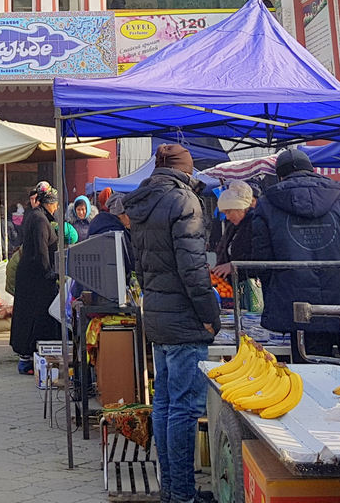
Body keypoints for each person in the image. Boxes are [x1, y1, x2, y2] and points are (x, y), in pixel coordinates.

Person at [125, 144, 221, 503]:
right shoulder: (184, 201)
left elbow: (141, 264)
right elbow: (194, 270)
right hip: (183, 318)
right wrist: (210, 317)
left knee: (166, 405)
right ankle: (182, 494)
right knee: (182, 409)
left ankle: (172, 490)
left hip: (159, 314)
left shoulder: (142, 203)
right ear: (186, 169)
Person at [248, 147, 340, 357]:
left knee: (311, 382)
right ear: (313, 170)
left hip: (299, 309)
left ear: (280, 176)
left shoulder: (267, 206)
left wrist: (276, 298)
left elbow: (263, 260)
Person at [10, 186, 61, 374]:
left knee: (28, 317)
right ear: (50, 204)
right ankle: (29, 359)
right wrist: (50, 273)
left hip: (30, 276)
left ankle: (28, 358)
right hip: (36, 278)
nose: (56, 209)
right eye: (55, 205)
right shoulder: (40, 220)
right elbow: (41, 251)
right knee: (36, 318)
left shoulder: (35, 215)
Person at [211, 181, 255, 282]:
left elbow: (259, 258)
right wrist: (216, 270)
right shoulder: (232, 227)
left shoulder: (256, 224)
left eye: (229, 211)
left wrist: (235, 266)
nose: (227, 217)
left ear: (241, 208)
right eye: (225, 213)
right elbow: (223, 252)